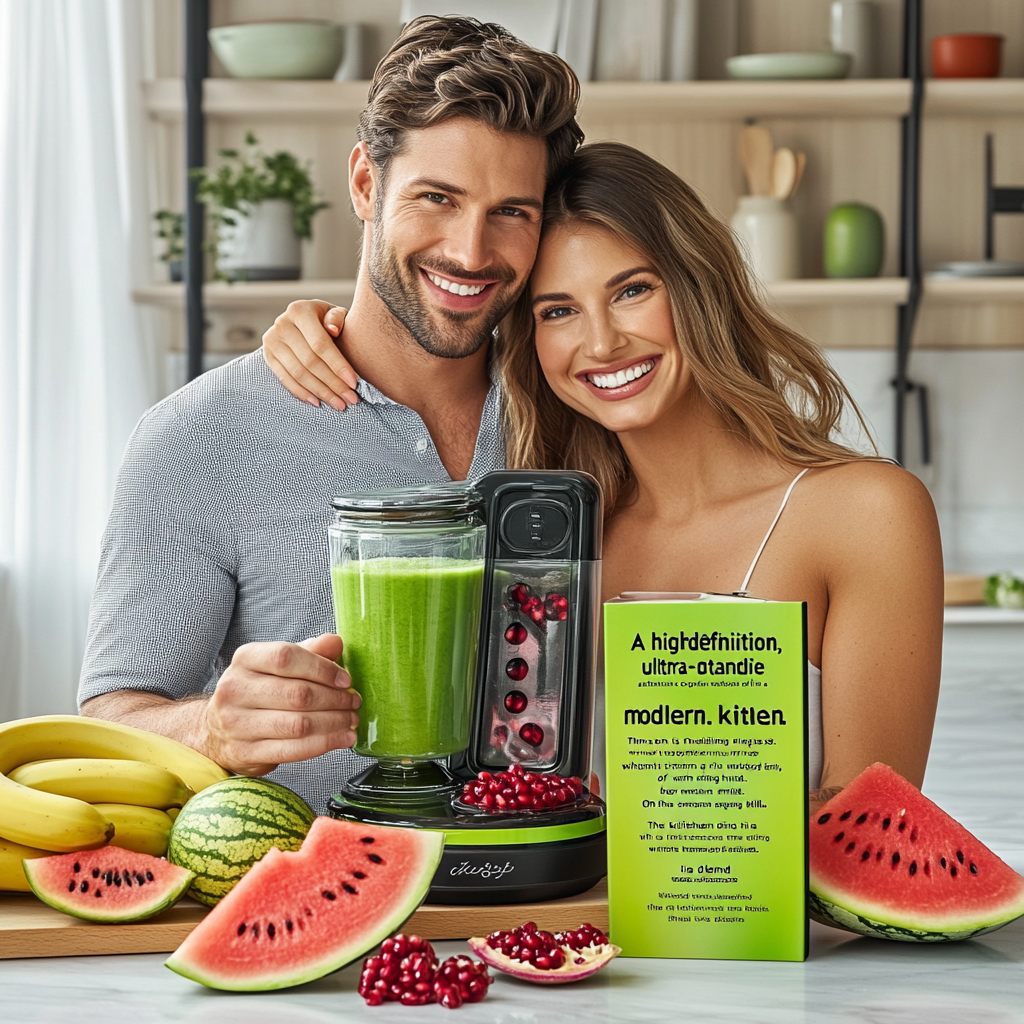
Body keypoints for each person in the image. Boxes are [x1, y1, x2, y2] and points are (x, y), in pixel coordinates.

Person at [263, 143, 944, 811]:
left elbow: (875, 825)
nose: (602, 344)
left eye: (632, 291)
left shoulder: (866, 514)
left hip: (754, 924)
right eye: (558, 311)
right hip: (564, 925)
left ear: (699, 285)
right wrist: (319, 327)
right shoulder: (548, 540)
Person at [78, 16, 584, 814]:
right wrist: (212, 728)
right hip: (312, 898)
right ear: (363, 184)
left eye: (511, 212)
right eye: (436, 198)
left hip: (558, 896)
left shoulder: (580, 410)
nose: (470, 250)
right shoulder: (196, 440)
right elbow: (110, 722)